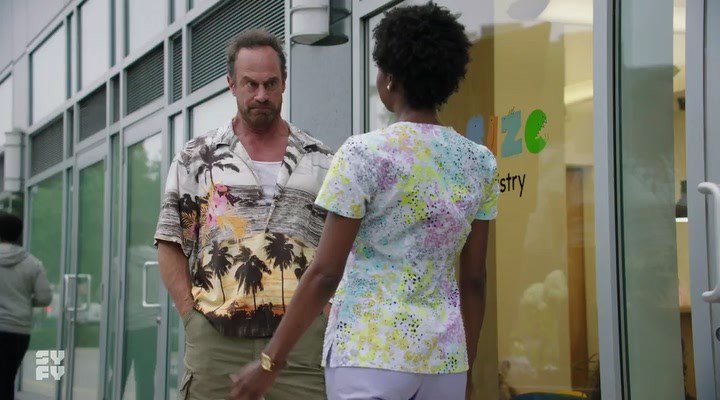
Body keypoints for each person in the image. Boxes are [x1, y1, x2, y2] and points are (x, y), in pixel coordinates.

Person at [228, 3, 499, 400]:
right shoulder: (480, 163)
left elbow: (325, 273)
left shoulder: (365, 154)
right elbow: (474, 280)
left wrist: (271, 361)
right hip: (444, 364)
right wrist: (466, 368)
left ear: (389, 80)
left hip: (369, 355)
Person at [154, 29, 333, 400]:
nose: (261, 95)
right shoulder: (197, 158)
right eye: (250, 84)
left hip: (301, 342)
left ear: (284, 83)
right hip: (216, 339)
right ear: (231, 85)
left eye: (271, 83)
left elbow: (339, 250)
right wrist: (190, 317)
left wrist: (327, 312)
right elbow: (170, 242)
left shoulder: (320, 159)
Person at [0, 212, 53, 400]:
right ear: (18, 234)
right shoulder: (32, 263)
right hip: (18, 330)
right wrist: (23, 300)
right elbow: (45, 298)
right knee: (7, 379)